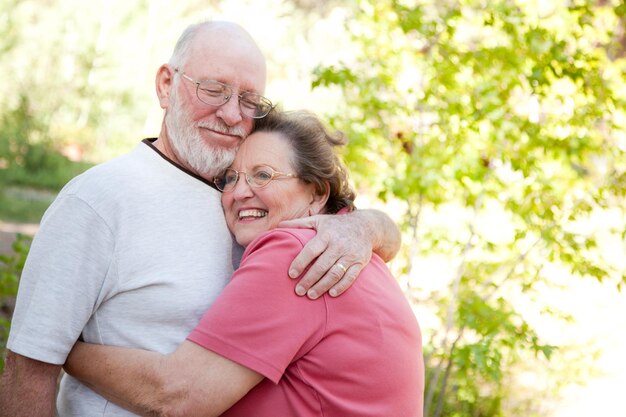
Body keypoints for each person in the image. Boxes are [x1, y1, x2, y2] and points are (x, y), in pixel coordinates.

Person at [0, 21, 402, 417]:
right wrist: (59, 348)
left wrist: (365, 225)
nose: (230, 114)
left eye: (249, 101)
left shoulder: (252, 206)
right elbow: (29, 371)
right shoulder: (98, 200)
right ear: (165, 85)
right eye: (214, 90)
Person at [64, 109, 424, 417]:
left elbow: (177, 396)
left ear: (316, 193)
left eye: (263, 175)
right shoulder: (350, 250)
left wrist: (61, 346)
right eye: (230, 178)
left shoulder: (295, 253)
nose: (238, 192)